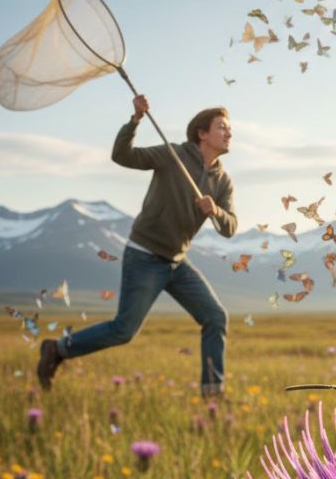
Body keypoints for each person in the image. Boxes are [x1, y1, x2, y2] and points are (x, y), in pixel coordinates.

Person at [37, 95, 236, 398]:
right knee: (123, 331)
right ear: (202, 133)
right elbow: (122, 155)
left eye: (229, 128)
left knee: (215, 317)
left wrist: (216, 211)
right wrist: (135, 121)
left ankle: (213, 396)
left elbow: (230, 227)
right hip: (144, 256)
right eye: (222, 127)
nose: (229, 132)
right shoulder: (173, 154)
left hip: (176, 262)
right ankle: (57, 349)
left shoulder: (223, 181)